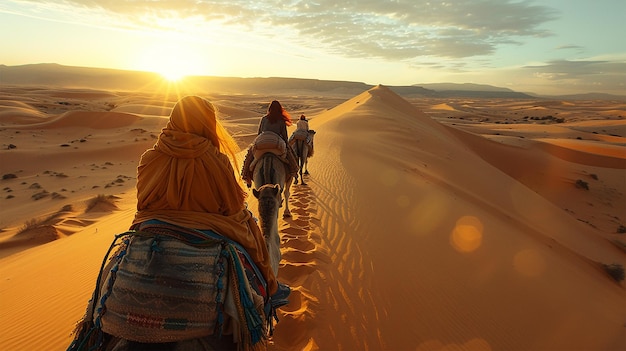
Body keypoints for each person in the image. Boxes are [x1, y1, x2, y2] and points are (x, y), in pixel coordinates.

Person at [69, 96, 279, 351]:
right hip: (211, 234)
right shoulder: (217, 161)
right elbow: (232, 209)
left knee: (100, 295)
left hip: (150, 229)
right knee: (252, 281)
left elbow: (143, 206)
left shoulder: (150, 158)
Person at [241, 100, 299, 187]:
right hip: (277, 145)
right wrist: (286, 144)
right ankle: (294, 171)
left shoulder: (264, 119)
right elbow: (285, 136)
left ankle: (246, 175)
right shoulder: (281, 120)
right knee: (290, 152)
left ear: (269, 109)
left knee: (250, 155)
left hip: (262, 143)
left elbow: (259, 133)